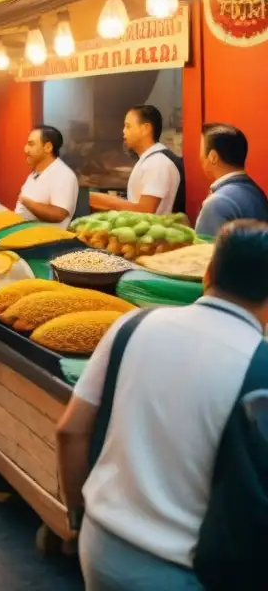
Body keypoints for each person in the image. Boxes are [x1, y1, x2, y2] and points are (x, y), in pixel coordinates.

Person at [56, 220, 268, 590]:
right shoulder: (259, 365)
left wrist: (76, 521)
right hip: (181, 571)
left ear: (207, 274)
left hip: (101, 546)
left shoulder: (132, 325)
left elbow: (70, 431)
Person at [90, 105, 183, 216]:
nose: (123, 131)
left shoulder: (157, 162)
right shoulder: (150, 159)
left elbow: (145, 210)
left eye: (128, 126)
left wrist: (96, 199)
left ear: (146, 129)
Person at [195, 123, 268, 236]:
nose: (199, 157)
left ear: (213, 157)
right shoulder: (257, 192)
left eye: (200, 150)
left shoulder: (217, 203)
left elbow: (204, 251)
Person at [14, 126, 80, 229]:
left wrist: (25, 201)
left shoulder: (63, 175)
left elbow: (59, 214)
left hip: (46, 241)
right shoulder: (34, 174)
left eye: (31, 144)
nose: (26, 149)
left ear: (48, 147)